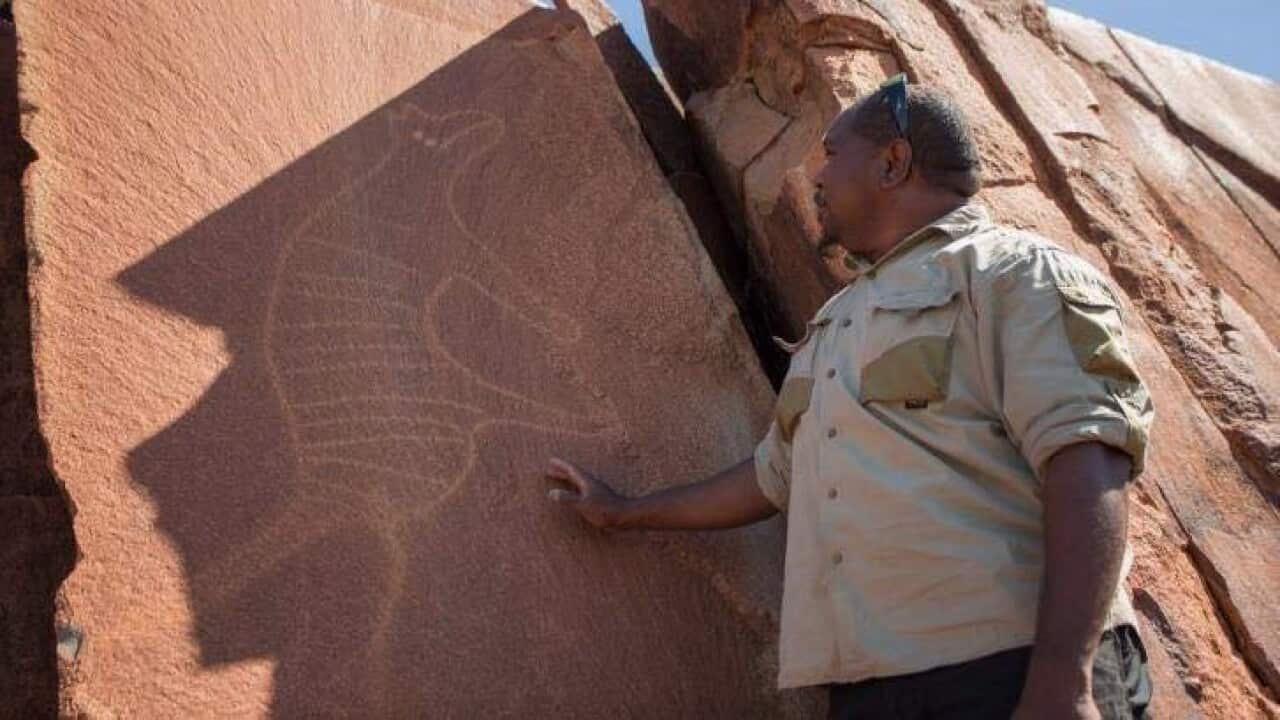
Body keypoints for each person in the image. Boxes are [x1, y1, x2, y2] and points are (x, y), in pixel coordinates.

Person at [544, 74, 1154, 720]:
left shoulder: (1014, 274)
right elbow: (770, 477)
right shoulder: (834, 324)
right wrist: (628, 512)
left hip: (1013, 666)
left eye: (833, 154)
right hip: (869, 687)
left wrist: (1065, 678)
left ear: (893, 163)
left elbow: (1088, 462)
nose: (817, 176)